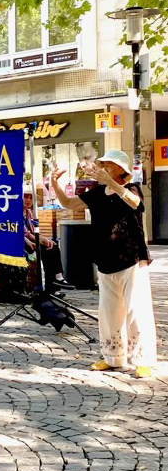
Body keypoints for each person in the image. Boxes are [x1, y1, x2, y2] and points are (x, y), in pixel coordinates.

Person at [51, 150, 157, 378]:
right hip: (105, 259)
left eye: (109, 164)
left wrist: (111, 182)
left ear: (121, 169)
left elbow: (136, 204)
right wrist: (55, 184)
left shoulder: (131, 189)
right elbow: (68, 203)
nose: (104, 167)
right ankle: (113, 358)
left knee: (136, 310)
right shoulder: (97, 193)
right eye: (104, 164)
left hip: (131, 258)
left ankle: (143, 359)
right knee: (108, 312)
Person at [22, 186, 75, 295]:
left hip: (31, 239)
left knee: (53, 246)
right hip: (22, 243)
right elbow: (26, 233)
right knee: (46, 250)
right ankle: (52, 286)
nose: (28, 200)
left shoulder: (29, 213)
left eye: (31, 198)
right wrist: (40, 242)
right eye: (25, 197)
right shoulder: (15, 213)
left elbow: (34, 232)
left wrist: (46, 240)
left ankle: (57, 279)